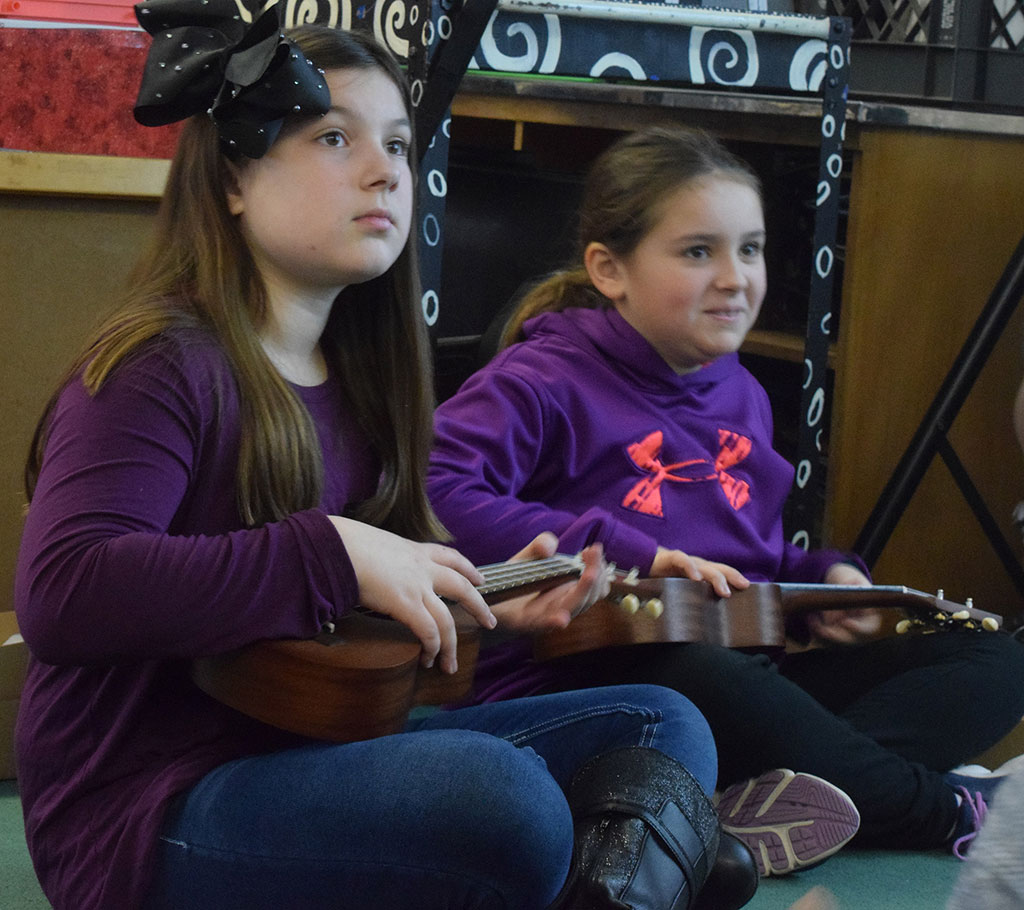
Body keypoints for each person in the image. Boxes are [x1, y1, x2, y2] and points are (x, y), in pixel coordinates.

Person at [13, 16, 758, 910]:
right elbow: (65, 592)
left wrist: (487, 601)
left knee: (661, 721)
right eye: (335, 137)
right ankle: (648, 866)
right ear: (234, 178)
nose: (385, 171)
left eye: (398, 145)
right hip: (149, 812)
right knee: (508, 800)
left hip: (315, 752)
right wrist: (335, 550)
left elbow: (349, 650)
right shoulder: (161, 363)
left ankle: (619, 877)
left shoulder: (366, 381)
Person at [427, 125, 1024, 876]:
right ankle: (945, 812)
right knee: (692, 672)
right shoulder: (541, 378)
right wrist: (626, 551)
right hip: (598, 675)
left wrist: (832, 579)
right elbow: (437, 486)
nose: (735, 277)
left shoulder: (740, 390)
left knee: (990, 656)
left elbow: (754, 558)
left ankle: (753, 799)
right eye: (697, 251)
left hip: (747, 667)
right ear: (610, 270)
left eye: (750, 249)